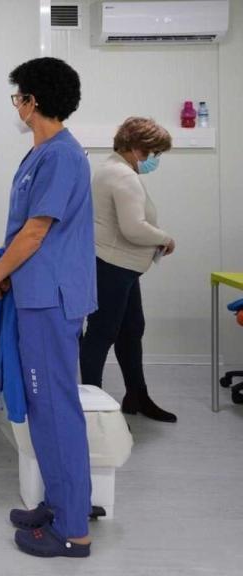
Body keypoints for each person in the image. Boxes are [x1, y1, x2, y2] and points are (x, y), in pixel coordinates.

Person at [0, 58, 95, 557]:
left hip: (50, 298)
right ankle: (59, 503)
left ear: (33, 101)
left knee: (53, 409)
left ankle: (72, 530)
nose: (17, 107)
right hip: (37, 294)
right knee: (45, 410)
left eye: (18, 97)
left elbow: (34, 231)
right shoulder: (42, 154)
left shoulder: (62, 156)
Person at [79, 118, 176, 422]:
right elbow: (133, 228)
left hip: (120, 266)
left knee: (131, 330)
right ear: (136, 147)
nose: (153, 159)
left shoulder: (110, 168)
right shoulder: (122, 175)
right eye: (152, 153)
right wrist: (165, 238)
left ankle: (137, 395)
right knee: (101, 334)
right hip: (113, 266)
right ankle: (92, 409)